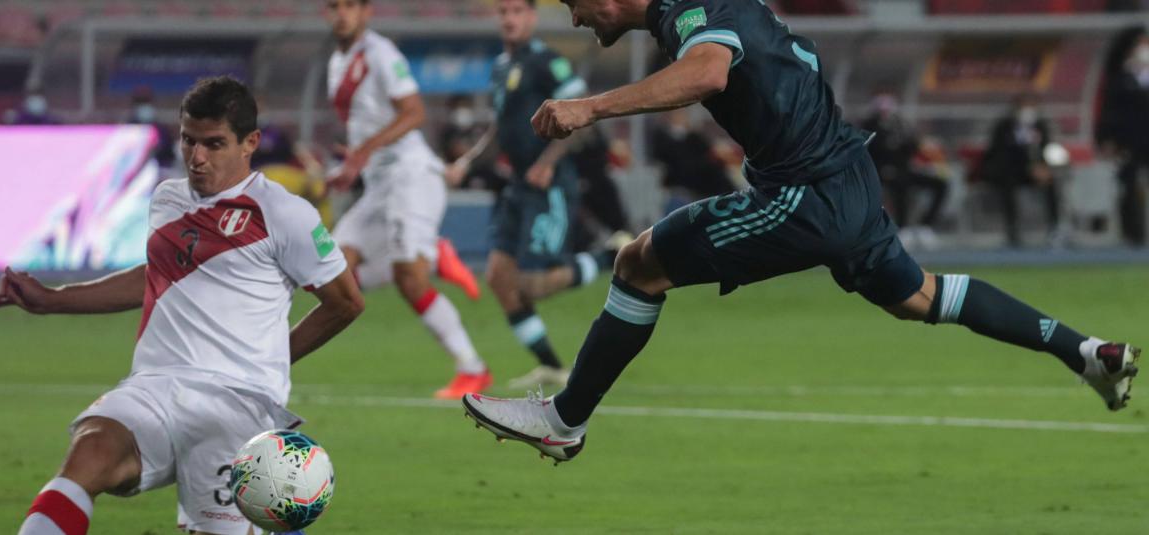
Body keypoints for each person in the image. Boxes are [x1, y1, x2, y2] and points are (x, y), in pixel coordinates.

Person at [462, 0, 1141, 464]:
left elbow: (708, 71)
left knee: (640, 263)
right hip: (847, 177)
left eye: (573, 2)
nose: (574, 16)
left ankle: (564, 420)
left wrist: (590, 107)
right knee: (919, 296)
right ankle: (1087, 353)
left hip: (806, 194)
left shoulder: (689, 10)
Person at [0, 76, 365, 534]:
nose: (197, 157)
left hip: (236, 403)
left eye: (214, 143)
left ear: (250, 143)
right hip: (155, 386)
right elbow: (158, 275)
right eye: (189, 140)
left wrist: (277, 357)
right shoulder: (167, 198)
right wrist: (53, 300)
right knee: (89, 453)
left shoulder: (284, 214)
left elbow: (345, 301)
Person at [323, 0, 491, 399]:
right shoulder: (336, 62)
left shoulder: (381, 54)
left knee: (411, 279)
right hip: (379, 185)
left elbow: (415, 112)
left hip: (411, 175)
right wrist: (353, 166)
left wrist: (364, 151)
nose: (342, 13)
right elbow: (364, 125)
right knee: (334, 272)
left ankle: (472, 368)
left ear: (367, 12)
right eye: (334, 6)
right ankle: (433, 253)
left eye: (350, 6)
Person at [445, 0, 600, 389]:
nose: (509, 19)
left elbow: (583, 119)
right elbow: (500, 129)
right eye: (503, 12)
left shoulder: (547, 62)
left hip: (550, 185)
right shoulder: (501, 67)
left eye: (517, 11)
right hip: (517, 186)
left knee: (532, 283)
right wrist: (467, 162)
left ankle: (610, 257)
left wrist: (548, 162)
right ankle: (552, 366)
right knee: (499, 278)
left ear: (532, 16)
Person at [860, 90, 947, 249]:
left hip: (904, 169)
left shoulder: (900, 124)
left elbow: (912, 148)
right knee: (900, 183)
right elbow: (867, 153)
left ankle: (925, 226)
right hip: (881, 172)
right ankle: (903, 227)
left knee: (940, 184)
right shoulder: (868, 126)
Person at [978, 93, 1065, 248]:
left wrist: (1045, 167)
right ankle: (1012, 229)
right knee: (1007, 184)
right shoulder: (1004, 126)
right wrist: (1028, 167)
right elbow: (999, 153)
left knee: (1051, 183)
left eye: (1032, 106)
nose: (1029, 110)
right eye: (1025, 106)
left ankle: (1055, 228)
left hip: (1034, 172)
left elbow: (1048, 148)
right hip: (1009, 171)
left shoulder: (1040, 126)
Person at [1096, 26, 1149, 247]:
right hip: (1130, 142)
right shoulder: (1120, 78)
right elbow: (1110, 111)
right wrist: (1107, 139)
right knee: (1129, 187)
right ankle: (1133, 235)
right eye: (1141, 43)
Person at [650, 106, 735, 214]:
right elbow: (669, 158)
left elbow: (708, 151)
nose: (681, 116)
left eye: (682, 113)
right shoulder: (662, 137)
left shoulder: (694, 136)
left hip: (701, 179)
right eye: (677, 114)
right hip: (682, 181)